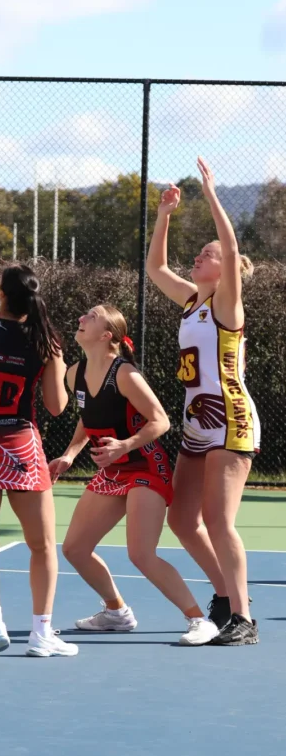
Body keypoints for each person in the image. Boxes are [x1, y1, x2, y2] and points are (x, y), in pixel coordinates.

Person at [55, 304, 219, 646]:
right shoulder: (75, 373)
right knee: (74, 548)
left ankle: (199, 620)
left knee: (141, 553)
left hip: (145, 465)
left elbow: (161, 420)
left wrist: (124, 445)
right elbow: (90, 417)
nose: (81, 317)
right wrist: (70, 454)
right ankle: (116, 612)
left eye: (91, 316)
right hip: (114, 469)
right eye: (83, 313)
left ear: (107, 335)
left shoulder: (126, 374)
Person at [146, 156, 260, 645]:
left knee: (218, 520)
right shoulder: (193, 299)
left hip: (230, 419)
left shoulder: (225, 303)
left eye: (206, 253)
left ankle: (244, 619)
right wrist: (165, 215)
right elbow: (155, 267)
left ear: (226, 266)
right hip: (198, 424)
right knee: (182, 519)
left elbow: (231, 246)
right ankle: (223, 596)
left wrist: (211, 193)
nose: (200, 256)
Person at [0, 264, 78, 662]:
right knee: (42, 545)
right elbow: (57, 407)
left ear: (1, 293)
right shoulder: (47, 341)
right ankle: (41, 632)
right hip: (21, 446)